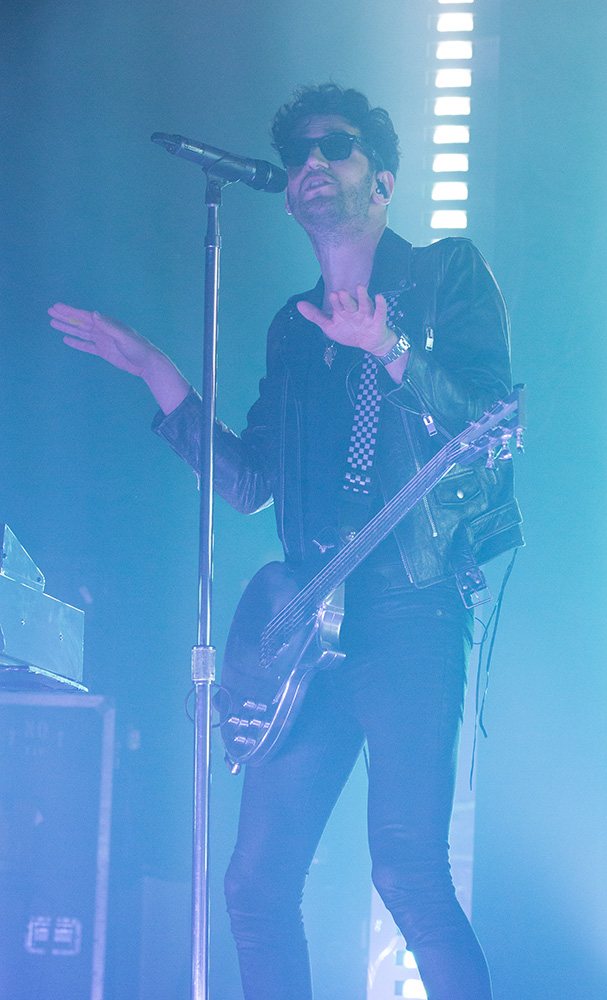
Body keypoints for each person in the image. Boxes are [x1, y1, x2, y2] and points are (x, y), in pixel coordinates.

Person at [49, 83, 523, 1000]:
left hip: (410, 610)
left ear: (381, 179)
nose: (311, 164)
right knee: (253, 885)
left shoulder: (446, 276)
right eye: (299, 153)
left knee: (408, 875)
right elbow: (252, 483)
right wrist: (160, 377)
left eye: (334, 148)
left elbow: (491, 421)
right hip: (310, 623)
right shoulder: (292, 328)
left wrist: (390, 348)